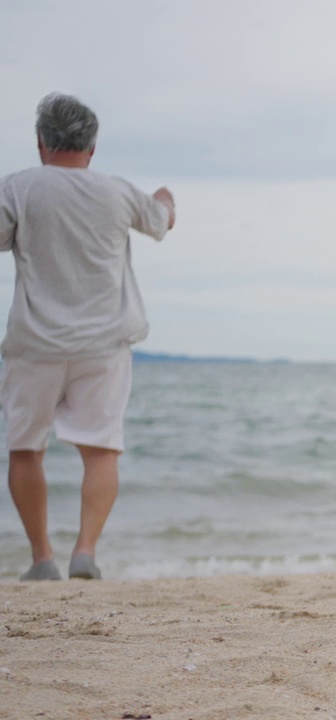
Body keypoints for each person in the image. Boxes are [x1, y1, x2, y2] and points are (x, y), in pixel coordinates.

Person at [1, 93, 176, 581]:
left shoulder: (18, 188)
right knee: (101, 449)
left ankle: (41, 559)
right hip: (103, 344)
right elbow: (161, 223)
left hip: (34, 341)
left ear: (41, 143)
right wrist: (165, 199)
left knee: (25, 448)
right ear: (92, 147)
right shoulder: (116, 191)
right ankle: (86, 551)